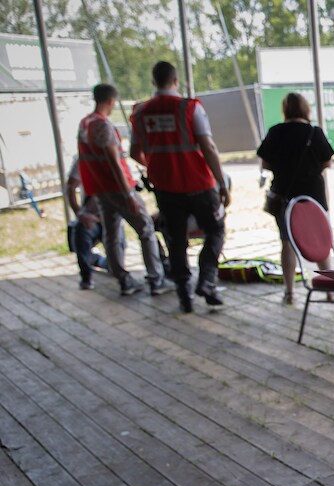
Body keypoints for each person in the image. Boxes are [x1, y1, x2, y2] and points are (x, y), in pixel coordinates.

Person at [129, 61, 228, 314]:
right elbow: (208, 146)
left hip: (166, 189)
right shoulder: (189, 107)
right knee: (215, 230)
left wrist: (156, 165)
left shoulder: (140, 112)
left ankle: (185, 296)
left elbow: (134, 152)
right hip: (199, 185)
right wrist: (220, 182)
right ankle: (207, 281)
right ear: (176, 81)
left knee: (176, 239)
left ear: (153, 82)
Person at [77, 83, 165, 297]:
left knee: (112, 234)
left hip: (99, 190)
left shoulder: (84, 123)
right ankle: (157, 280)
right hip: (117, 188)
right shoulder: (102, 125)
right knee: (145, 229)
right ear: (111, 101)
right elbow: (114, 162)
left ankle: (124, 280)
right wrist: (128, 194)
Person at [257, 92, 334, 304]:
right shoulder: (314, 132)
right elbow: (327, 162)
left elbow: (265, 164)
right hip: (313, 196)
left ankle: (290, 292)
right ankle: (329, 289)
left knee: (287, 242)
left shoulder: (275, 132)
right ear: (305, 109)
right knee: (320, 242)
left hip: (285, 195)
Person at [65, 158, 120, 290]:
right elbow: (70, 186)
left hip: (112, 215)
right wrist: (80, 214)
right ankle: (86, 275)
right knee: (80, 230)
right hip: (92, 215)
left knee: (117, 265)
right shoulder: (83, 159)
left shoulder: (115, 157)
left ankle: (97, 260)